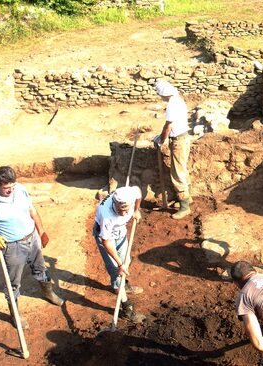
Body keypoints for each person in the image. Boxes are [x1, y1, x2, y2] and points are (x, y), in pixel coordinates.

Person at [0, 166, 63, 329]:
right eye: (6, 188)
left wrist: (42, 231)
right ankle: (15, 314)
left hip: (32, 238)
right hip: (12, 247)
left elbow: (32, 211)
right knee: (13, 283)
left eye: (12, 186)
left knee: (41, 269)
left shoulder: (21, 190)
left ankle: (49, 293)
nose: (10, 190)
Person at [92, 185, 145, 322]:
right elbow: (106, 242)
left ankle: (123, 285)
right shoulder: (106, 215)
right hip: (105, 237)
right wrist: (119, 263)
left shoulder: (130, 194)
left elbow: (138, 191)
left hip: (120, 232)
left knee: (126, 262)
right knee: (117, 270)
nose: (123, 213)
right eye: (120, 210)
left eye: (126, 210)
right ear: (114, 203)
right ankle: (126, 308)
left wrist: (136, 210)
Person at [153, 79, 192, 220]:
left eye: (160, 94)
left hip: (178, 142)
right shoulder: (179, 100)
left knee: (177, 175)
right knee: (183, 170)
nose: (160, 97)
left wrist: (161, 140)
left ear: (164, 93)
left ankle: (185, 207)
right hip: (184, 138)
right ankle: (187, 199)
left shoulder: (171, 105)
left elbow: (168, 127)